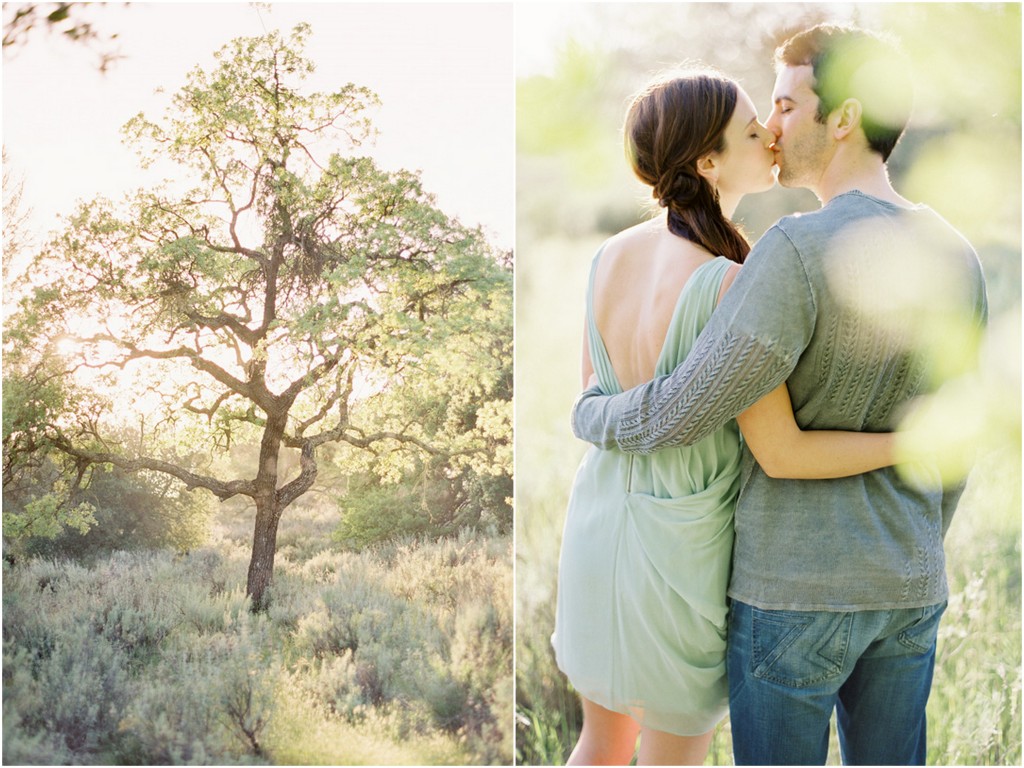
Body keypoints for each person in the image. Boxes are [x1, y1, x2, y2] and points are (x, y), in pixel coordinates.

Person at [570, 24, 988, 766]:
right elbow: (959, 439)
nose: (772, 128)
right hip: (910, 582)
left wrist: (591, 413)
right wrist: (916, 538)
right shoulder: (956, 254)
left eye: (787, 106)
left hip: (792, 590)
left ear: (845, 118)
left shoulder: (791, 250)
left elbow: (723, 427)